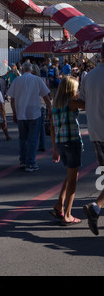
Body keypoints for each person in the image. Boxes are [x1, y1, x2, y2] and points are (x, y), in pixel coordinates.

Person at [50, 76, 83, 226]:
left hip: (61, 143)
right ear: (71, 89)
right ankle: (68, 214)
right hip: (72, 142)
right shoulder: (73, 103)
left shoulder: (55, 104)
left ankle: (59, 204)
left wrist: (55, 149)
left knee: (70, 174)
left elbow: (51, 128)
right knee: (73, 180)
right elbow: (91, 103)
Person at [8, 61, 52, 172]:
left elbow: (12, 99)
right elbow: (46, 97)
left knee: (23, 138)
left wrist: (14, 112)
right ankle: (30, 162)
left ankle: (23, 160)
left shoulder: (17, 80)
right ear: (31, 70)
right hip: (34, 112)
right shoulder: (37, 80)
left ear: (22, 70)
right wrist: (50, 109)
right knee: (32, 138)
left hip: (21, 113)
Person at [79, 43, 104, 235]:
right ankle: (95, 207)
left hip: (96, 132)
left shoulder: (90, 76)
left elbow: (81, 102)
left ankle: (96, 207)